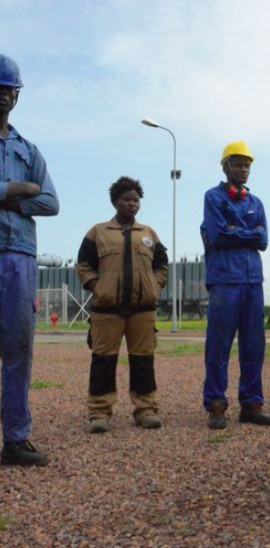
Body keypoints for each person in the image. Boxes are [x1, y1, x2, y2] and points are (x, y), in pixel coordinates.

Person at [0, 55, 59, 466]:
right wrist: (16, 188)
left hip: (20, 256)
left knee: (20, 349)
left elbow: (51, 201)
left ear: (17, 96)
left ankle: (16, 439)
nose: (2, 95)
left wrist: (16, 203)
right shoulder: (25, 164)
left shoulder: (29, 148)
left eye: (8, 89)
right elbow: (33, 190)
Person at [77, 177, 168, 433]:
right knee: (103, 360)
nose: (132, 204)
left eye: (136, 200)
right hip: (106, 310)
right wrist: (98, 287)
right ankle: (99, 412)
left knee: (143, 361)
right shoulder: (98, 232)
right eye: (126, 199)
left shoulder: (148, 234)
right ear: (115, 201)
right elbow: (83, 264)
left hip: (143, 310)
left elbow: (161, 266)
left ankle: (146, 409)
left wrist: (154, 286)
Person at [200, 142, 270, 429]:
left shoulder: (256, 203)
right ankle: (216, 405)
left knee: (254, 345)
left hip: (253, 281)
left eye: (247, 165)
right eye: (238, 164)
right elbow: (217, 236)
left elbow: (264, 241)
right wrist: (249, 233)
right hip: (224, 281)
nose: (243, 169)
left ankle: (252, 403)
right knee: (219, 346)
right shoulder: (213, 197)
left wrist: (236, 231)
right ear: (226, 166)